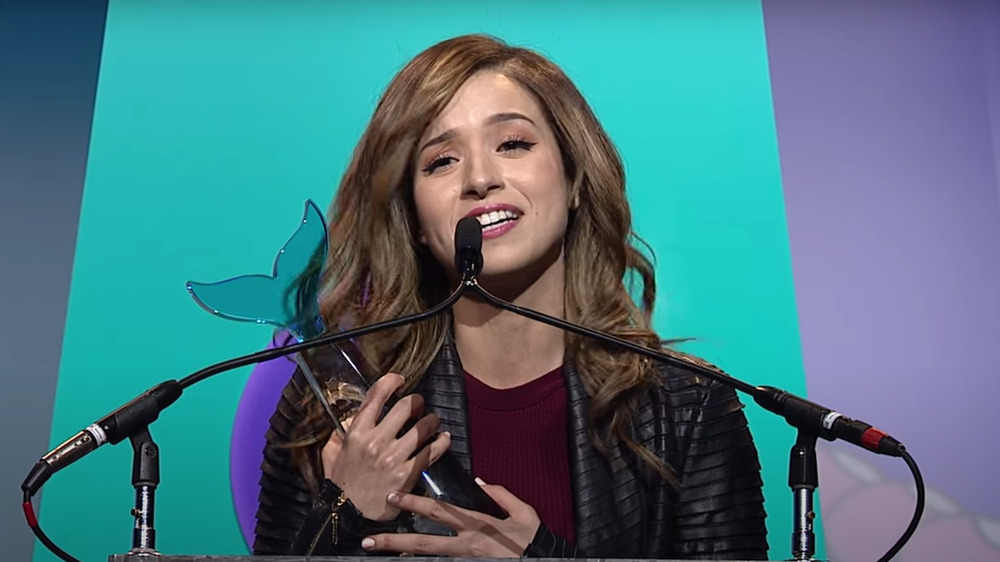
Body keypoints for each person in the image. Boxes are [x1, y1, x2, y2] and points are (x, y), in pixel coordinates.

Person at [251, 34, 769, 559]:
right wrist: (346, 512)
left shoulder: (688, 406)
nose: (480, 178)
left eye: (513, 144)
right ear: (414, 220)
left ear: (573, 179)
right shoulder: (338, 401)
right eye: (442, 161)